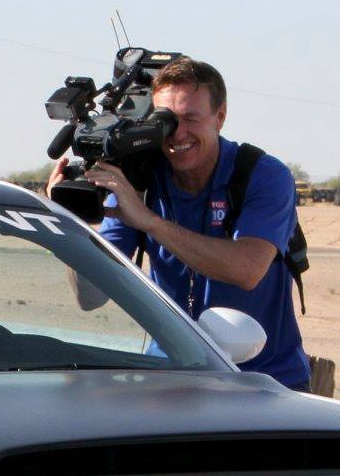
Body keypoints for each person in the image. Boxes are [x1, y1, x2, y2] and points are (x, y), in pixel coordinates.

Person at [53, 56, 310, 389]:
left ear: (220, 116)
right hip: (171, 378)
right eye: (166, 121)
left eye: (191, 118)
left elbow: (247, 269)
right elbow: (90, 297)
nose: (178, 134)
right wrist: (72, 224)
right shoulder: (140, 178)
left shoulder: (260, 174)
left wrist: (150, 223)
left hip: (265, 380)